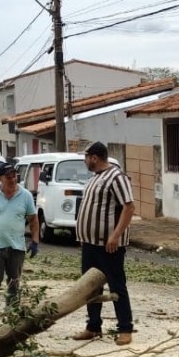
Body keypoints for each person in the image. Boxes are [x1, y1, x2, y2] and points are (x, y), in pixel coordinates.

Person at [73, 142, 136, 346]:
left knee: (116, 285)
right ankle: (93, 326)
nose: (85, 161)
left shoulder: (117, 177)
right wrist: (83, 236)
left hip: (108, 245)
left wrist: (116, 235)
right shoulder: (95, 178)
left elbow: (129, 207)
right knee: (90, 287)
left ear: (94, 157)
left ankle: (125, 328)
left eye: (86, 157)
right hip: (91, 244)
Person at [0, 163, 39, 330]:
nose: (12, 180)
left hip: (16, 247)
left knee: (13, 284)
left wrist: (35, 240)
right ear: (0, 179)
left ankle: (11, 316)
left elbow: (33, 219)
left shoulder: (25, 196)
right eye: (8, 177)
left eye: (14, 176)